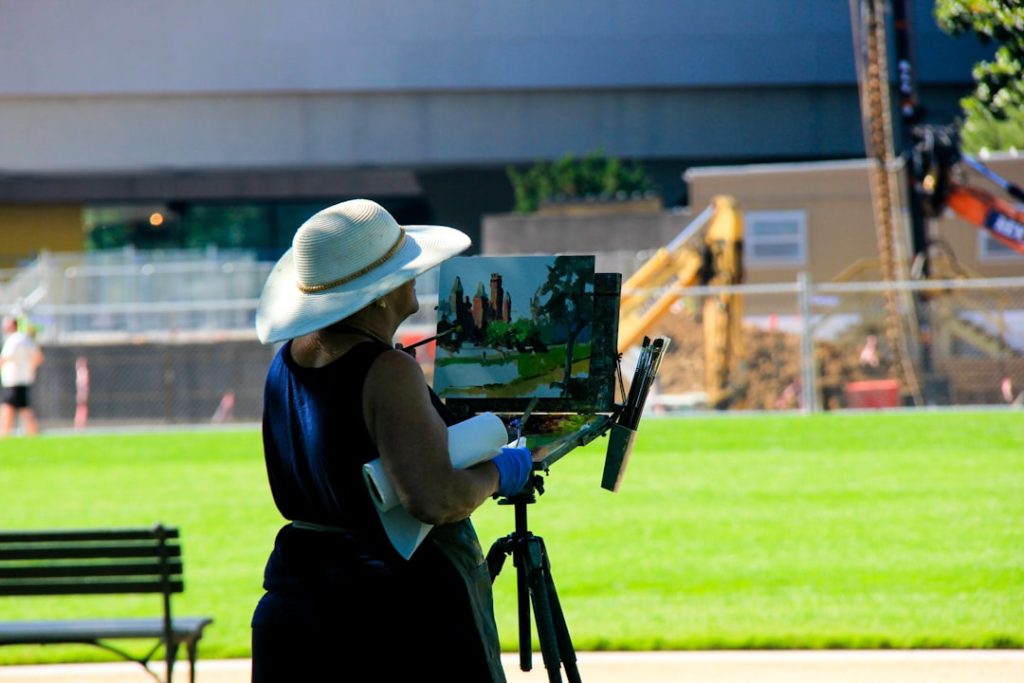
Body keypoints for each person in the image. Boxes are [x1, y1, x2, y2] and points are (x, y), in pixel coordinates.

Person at [251, 199, 532, 682]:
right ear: (378, 294)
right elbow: (434, 497)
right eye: (404, 269)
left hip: (296, 601)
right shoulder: (387, 370)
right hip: (390, 617)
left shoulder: (288, 358)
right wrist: (500, 472)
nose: (413, 277)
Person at [0, 315, 44, 437]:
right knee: (14, 408)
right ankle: (8, 434)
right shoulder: (26, 339)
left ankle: (6, 434)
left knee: (13, 409)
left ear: (12, 325)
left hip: (14, 380)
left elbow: (4, 358)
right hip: (21, 379)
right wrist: (30, 369)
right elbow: (38, 357)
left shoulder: (14, 340)